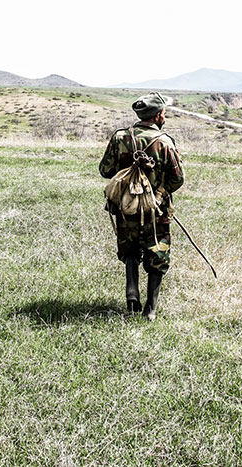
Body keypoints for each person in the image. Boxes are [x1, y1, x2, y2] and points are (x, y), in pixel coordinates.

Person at [99, 92, 184, 321]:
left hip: (126, 210)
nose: (165, 115)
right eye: (163, 112)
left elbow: (105, 171)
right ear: (157, 116)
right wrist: (160, 193)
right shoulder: (165, 142)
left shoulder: (120, 138)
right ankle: (151, 309)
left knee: (130, 252)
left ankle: (131, 291)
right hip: (156, 213)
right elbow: (178, 179)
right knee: (157, 256)